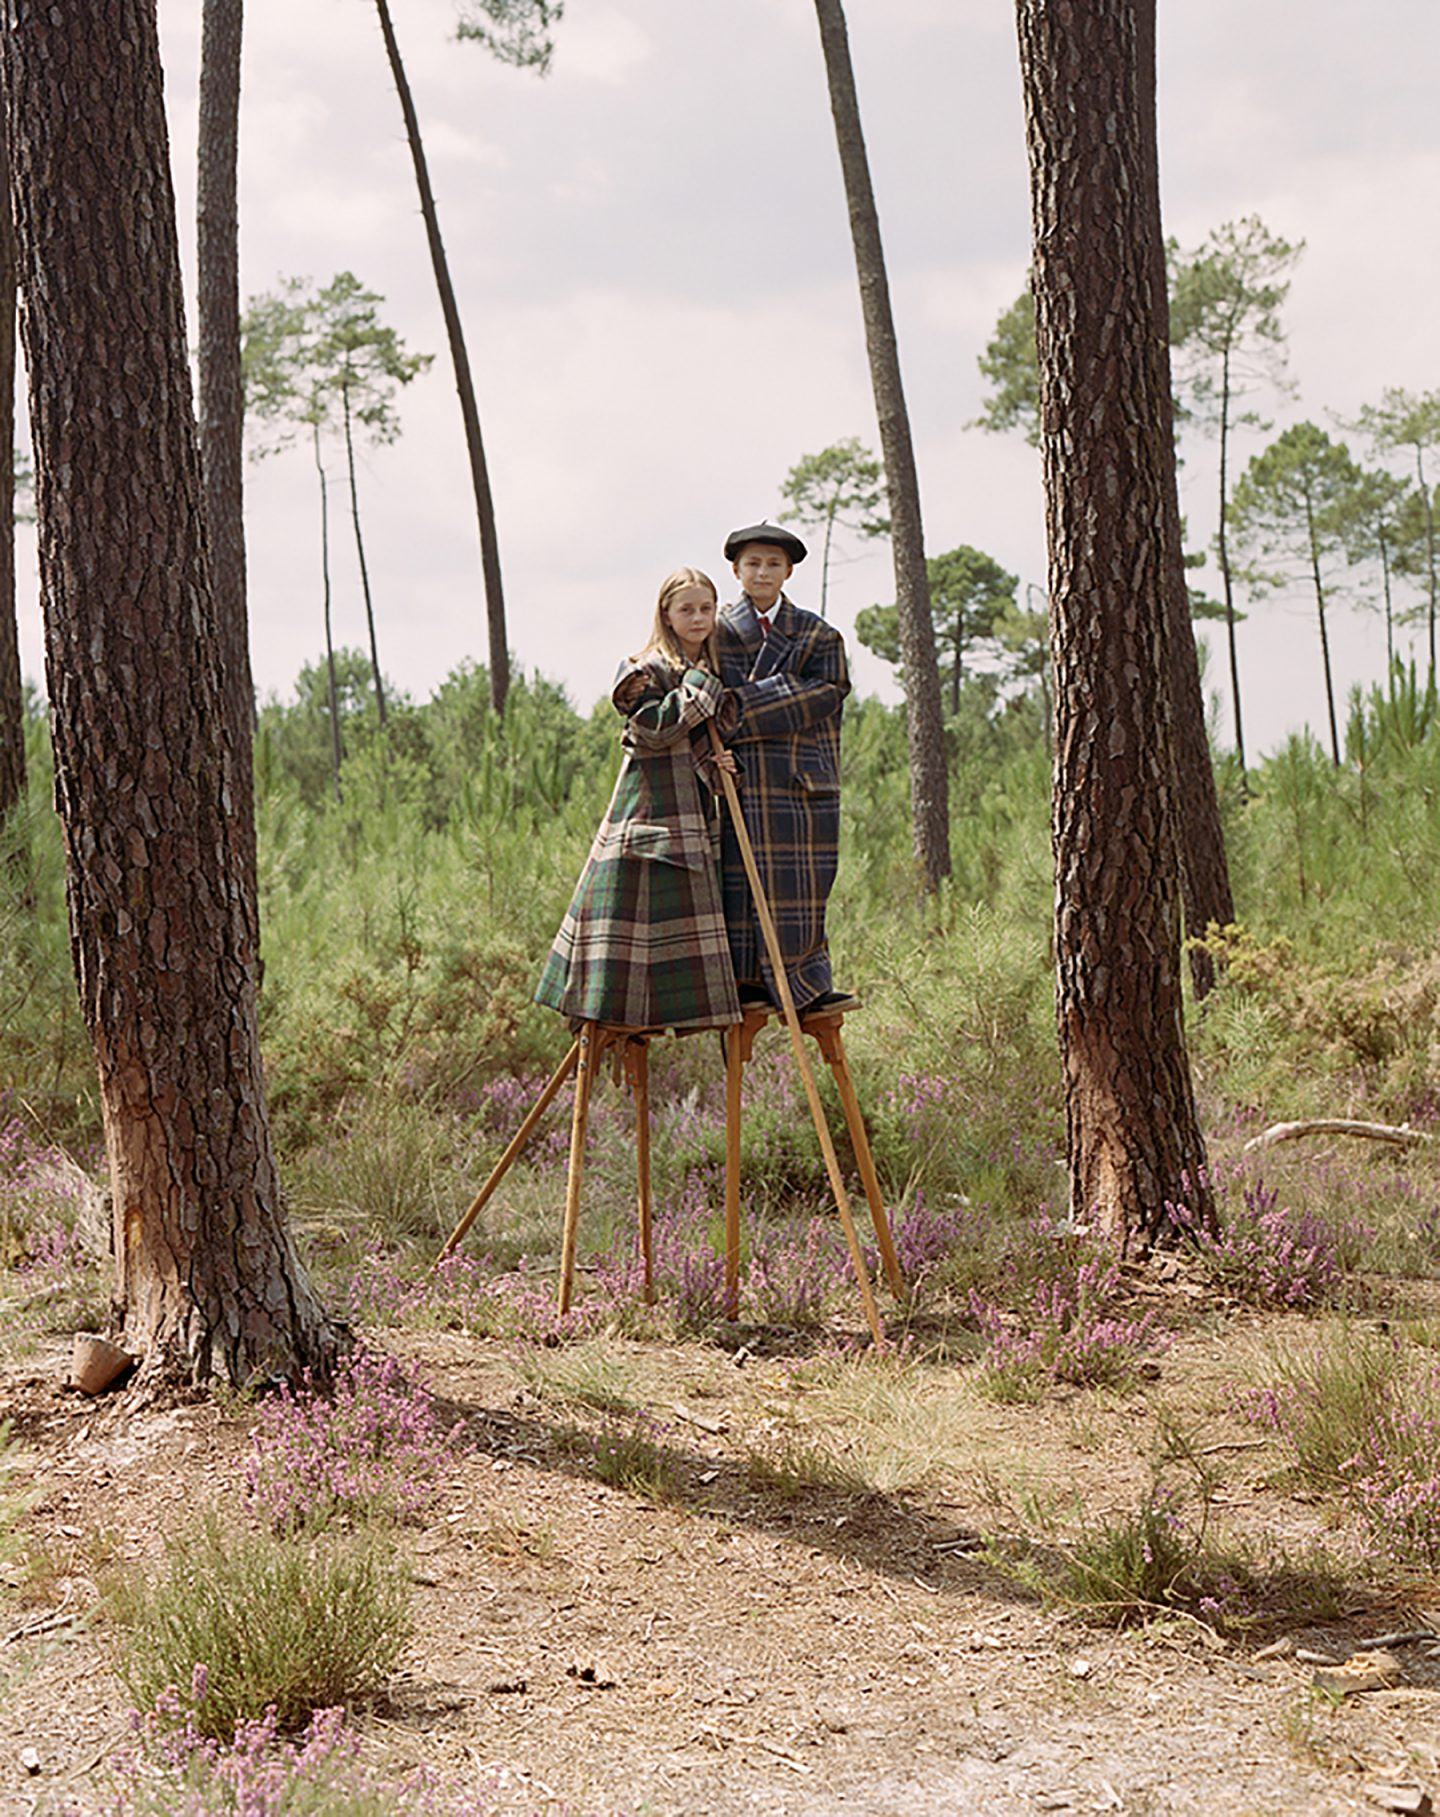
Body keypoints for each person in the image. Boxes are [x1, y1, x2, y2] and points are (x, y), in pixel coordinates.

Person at [534, 568, 742, 1034]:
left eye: (706, 608)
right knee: (621, 955)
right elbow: (654, 730)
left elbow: (696, 747)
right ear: (666, 613)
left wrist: (720, 767)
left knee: (681, 958)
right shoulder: (644, 669)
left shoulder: (710, 672)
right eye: (686, 609)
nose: (698, 618)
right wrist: (701, 690)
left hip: (690, 826)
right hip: (644, 821)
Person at [715, 522, 855, 1017]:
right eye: (753, 563)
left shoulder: (819, 635)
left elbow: (828, 692)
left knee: (803, 889)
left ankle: (809, 981)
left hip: (799, 789)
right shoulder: (716, 634)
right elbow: (704, 707)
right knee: (736, 883)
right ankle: (745, 978)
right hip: (738, 784)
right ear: (736, 570)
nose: (762, 571)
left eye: (773, 563)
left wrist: (736, 707)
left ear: (789, 571)